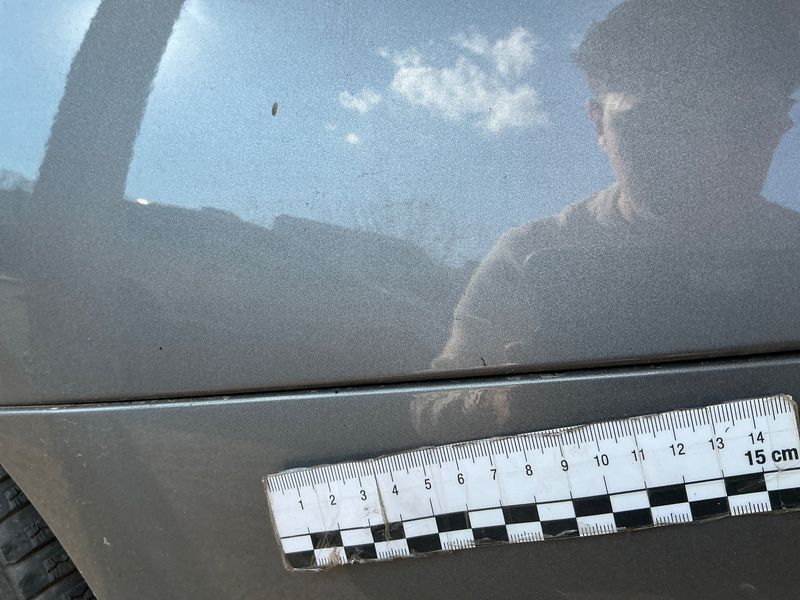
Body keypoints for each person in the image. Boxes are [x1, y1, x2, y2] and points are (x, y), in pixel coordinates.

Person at [413, 0, 800, 437]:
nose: (700, 154)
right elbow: (428, 407)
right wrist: (499, 402)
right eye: (653, 123)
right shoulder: (527, 255)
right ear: (598, 123)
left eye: (742, 124)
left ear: (778, 125)